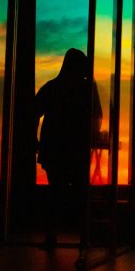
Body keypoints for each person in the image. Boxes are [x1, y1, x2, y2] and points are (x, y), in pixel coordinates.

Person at [35, 48, 102, 250]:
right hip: (76, 149)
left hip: (54, 148)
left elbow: (33, 112)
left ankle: (52, 235)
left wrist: (34, 139)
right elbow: (96, 117)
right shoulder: (87, 88)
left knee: (55, 192)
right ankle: (84, 236)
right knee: (80, 194)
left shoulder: (52, 87)